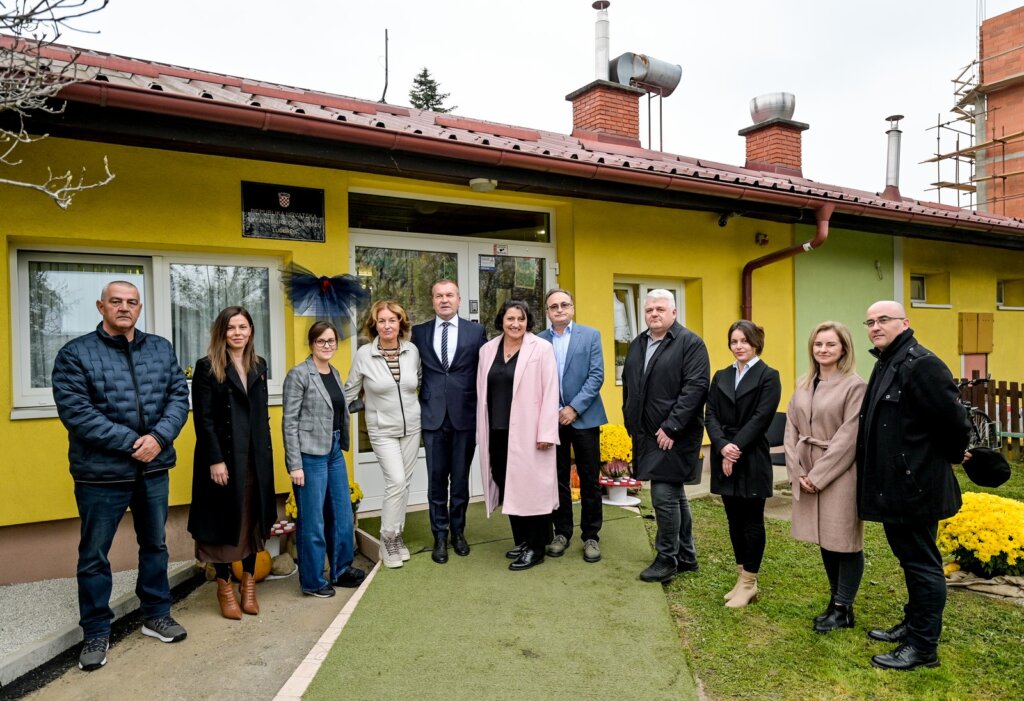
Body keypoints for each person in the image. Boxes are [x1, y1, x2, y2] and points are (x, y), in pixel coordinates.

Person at [51, 281, 190, 672]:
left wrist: (159, 438)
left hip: (154, 469)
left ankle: (156, 614)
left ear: (139, 308)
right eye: (116, 302)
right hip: (101, 475)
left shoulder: (160, 348)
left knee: (155, 545)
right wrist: (135, 443)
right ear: (101, 306)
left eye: (131, 302)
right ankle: (96, 631)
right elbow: (77, 413)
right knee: (95, 555)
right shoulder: (75, 354)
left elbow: (179, 397)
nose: (124, 308)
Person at [856, 301, 970, 670]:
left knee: (922, 564)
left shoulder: (923, 364)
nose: (875, 326)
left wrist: (947, 457)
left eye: (883, 319)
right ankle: (913, 624)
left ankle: (923, 647)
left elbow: (955, 422)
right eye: (870, 322)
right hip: (897, 487)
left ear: (905, 322)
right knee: (911, 561)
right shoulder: (888, 360)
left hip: (916, 487)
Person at [188, 306, 277, 620]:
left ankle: (249, 584)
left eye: (243, 326)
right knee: (226, 522)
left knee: (253, 519)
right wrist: (215, 460)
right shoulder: (207, 368)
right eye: (231, 328)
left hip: (256, 458)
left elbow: (261, 414)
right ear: (221, 332)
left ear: (251, 330)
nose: (238, 333)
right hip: (224, 459)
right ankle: (225, 585)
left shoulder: (259, 365)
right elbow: (204, 420)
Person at [622, 289, 710, 584]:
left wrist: (672, 427)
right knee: (674, 494)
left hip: (675, 434)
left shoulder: (690, 343)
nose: (654, 314)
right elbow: (630, 387)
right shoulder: (638, 344)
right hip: (646, 433)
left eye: (660, 309)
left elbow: (695, 388)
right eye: (649, 310)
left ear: (674, 312)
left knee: (663, 495)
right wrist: (630, 422)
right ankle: (687, 556)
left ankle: (666, 560)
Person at [784, 321, 866, 632]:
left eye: (830, 344)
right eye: (818, 344)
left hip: (839, 473)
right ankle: (835, 602)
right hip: (806, 468)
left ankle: (844, 607)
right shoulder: (805, 383)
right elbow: (791, 428)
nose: (823, 350)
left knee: (844, 539)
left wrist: (818, 476)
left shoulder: (855, 386)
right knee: (825, 539)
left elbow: (849, 436)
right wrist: (798, 470)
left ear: (843, 348)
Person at [283, 321, 366, 598]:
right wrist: (295, 464)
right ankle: (313, 580)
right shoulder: (299, 375)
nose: (327, 345)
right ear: (312, 344)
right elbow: (289, 422)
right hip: (309, 455)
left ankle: (341, 570)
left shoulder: (334, 372)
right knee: (314, 520)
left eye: (331, 341)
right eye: (321, 341)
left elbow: (336, 408)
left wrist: (368, 397)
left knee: (342, 514)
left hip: (333, 451)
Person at [476, 300, 560, 571]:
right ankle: (523, 540)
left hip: (530, 432)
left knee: (531, 489)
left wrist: (547, 431)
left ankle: (536, 548)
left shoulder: (542, 348)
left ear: (528, 322)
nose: (515, 324)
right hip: (497, 431)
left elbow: (550, 391)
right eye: (510, 318)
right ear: (501, 320)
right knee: (507, 484)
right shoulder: (488, 350)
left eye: (521, 319)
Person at [705, 320, 782, 608]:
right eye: (734, 341)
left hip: (750, 457)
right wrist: (723, 446)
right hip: (724, 452)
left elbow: (762, 418)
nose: (739, 346)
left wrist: (734, 449)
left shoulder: (768, 376)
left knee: (751, 521)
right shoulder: (721, 375)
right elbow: (710, 413)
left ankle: (750, 582)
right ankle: (741, 577)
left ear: (756, 343)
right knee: (733, 520)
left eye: (744, 341)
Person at [411, 280, 487, 564]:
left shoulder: (476, 331)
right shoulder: (418, 333)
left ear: (459, 299)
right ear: (432, 301)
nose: (444, 300)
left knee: (459, 481)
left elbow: (485, 372)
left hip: (464, 416)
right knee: (435, 482)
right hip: (432, 417)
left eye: (449, 295)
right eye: (439, 296)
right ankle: (439, 536)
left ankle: (458, 533)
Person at [345, 300, 422, 569]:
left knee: (405, 484)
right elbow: (349, 392)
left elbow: (417, 383)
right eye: (382, 321)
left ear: (401, 323)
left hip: (412, 427)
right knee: (396, 481)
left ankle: (397, 535)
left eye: (392, 320)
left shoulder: (412, 351)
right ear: (374, 325)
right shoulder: (364, 354)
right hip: (381, 431)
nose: (387, 325)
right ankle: (387, 538)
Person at [537, 288, 607, 563]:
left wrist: (573, 408)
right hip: (553, 419)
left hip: (585, 418)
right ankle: (561, 532)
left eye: (564, 304)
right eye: (554, 306)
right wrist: (555, 410)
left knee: (590, 479)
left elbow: (596, 375)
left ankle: (591, 535)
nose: (560, 310)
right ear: (547, 312)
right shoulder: (539, 340)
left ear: (573, 308)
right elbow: (538, 381)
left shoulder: (590, 336)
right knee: (558, 478)